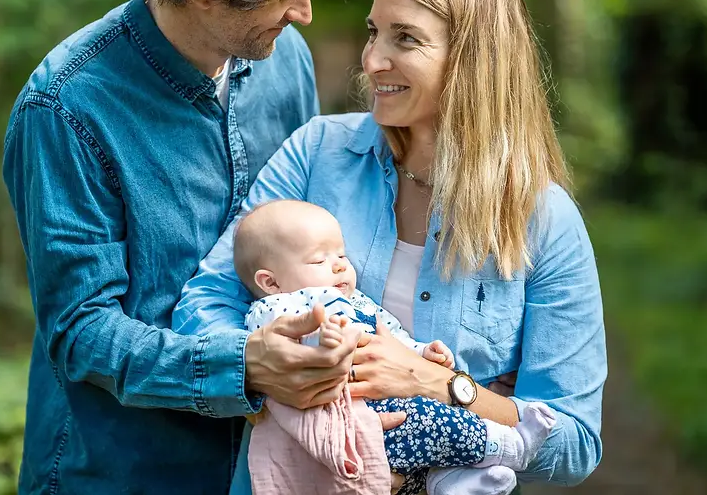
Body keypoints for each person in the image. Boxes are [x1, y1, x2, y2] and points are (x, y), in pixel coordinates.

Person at [1, 0, 390, 493]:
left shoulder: (283, 57)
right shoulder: (65, 108)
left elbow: (304, 234)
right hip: (121, 470)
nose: (304, 14)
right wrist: (242, 365)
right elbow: (81, 331)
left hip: (267, 466)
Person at [174, 0, 607, 494]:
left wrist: (443, 383)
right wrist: (270, 372)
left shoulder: (543, 221)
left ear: (474, 57)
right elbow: (207, 303)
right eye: (373, 32)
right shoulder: (315, 153)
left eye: (405, 38)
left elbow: (574, 444)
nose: (373, 59)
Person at [235, 199, 557, 495]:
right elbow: (281, 348)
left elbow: (391, 336)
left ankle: (452, 479)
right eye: (320, 259)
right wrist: (323, 340)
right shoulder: (275, 307)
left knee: (433, 422)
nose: (338, 266)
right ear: (270, 282)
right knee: (429, 420)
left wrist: (421, 353)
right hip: (352, 411)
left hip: (386, 395)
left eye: (342, 256)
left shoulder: (356, 300)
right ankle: (508, 446)